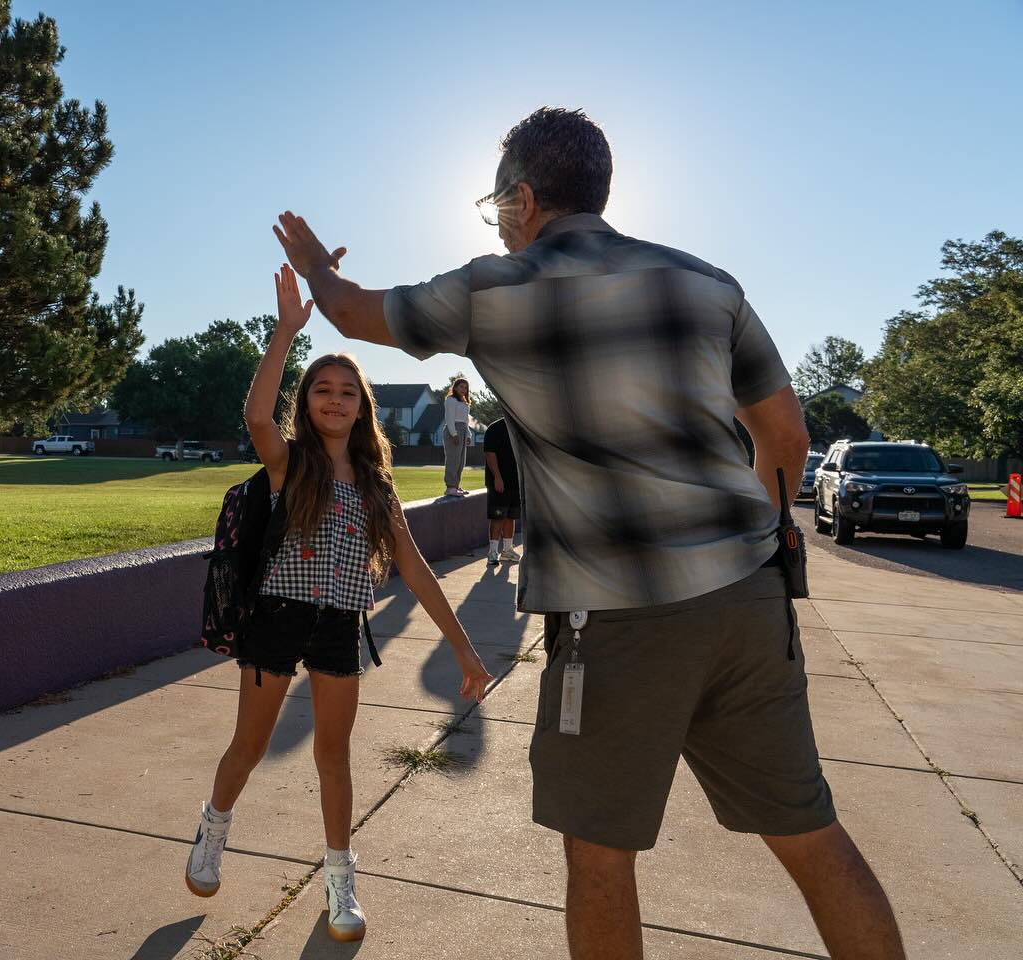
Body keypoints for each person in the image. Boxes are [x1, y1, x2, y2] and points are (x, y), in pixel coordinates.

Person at [272, 108, 905, 960]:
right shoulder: (709, 285)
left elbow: (350, 313)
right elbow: (786, 440)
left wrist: (313, 262)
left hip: (618, 619)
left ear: (524, 198)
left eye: (496, 202)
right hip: (752, 604)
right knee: (811, 834)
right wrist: (738, 550)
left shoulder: (497, 289)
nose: (497, 219)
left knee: (601, 860)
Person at [184, 263, 494, 944]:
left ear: (363, 406)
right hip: (275, 620)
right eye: (322, 389)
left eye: (347, 392)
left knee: (335, 755)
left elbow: (412, 568)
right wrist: (286, 333)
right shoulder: (291, 463)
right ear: (310, 401)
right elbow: (256, 414)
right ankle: (213, 827)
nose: (334, 400)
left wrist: (465, 648)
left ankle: (340, 880)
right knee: (251, 742)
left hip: (336, 630)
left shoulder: (378, 487)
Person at [483, 417, 521, 566]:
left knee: (510, 517)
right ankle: (493, 552)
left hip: (514, 482)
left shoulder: (518, 428)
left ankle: (507, 550)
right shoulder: (495, 428)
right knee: (497, 516)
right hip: (498, 482)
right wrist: (497, 477)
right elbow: (490, 454)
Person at [442, 378, 472, 496]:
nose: (463, 389)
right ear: (455, 387)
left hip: (463, 430)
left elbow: (466, 421)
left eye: (465, 387)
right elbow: (449, 418)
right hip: (453, 430)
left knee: (461, 461)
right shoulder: (451, 400)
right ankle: (450, 487)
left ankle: (456, 485)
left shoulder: (465, 403)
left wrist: (468, 435)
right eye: (461, 387)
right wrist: (454, 434)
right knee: (453, 460)